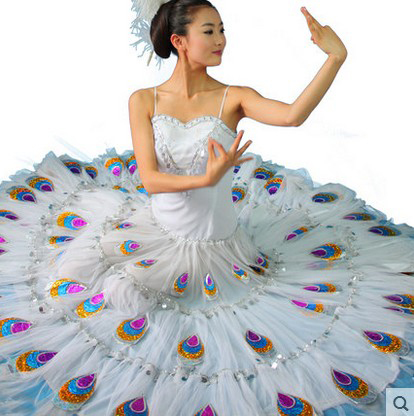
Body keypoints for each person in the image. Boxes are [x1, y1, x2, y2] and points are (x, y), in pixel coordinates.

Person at [0, 1, 413, 415]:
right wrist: (206, 178)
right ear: (179, 41)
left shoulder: (234, 98)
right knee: (125, 303)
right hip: (157, 236)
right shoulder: (143, 100)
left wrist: (335, 58)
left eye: (222, 30)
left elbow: (292, 116)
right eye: (209, 31)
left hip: (222, 246)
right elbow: (150, 179)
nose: (221, 40)